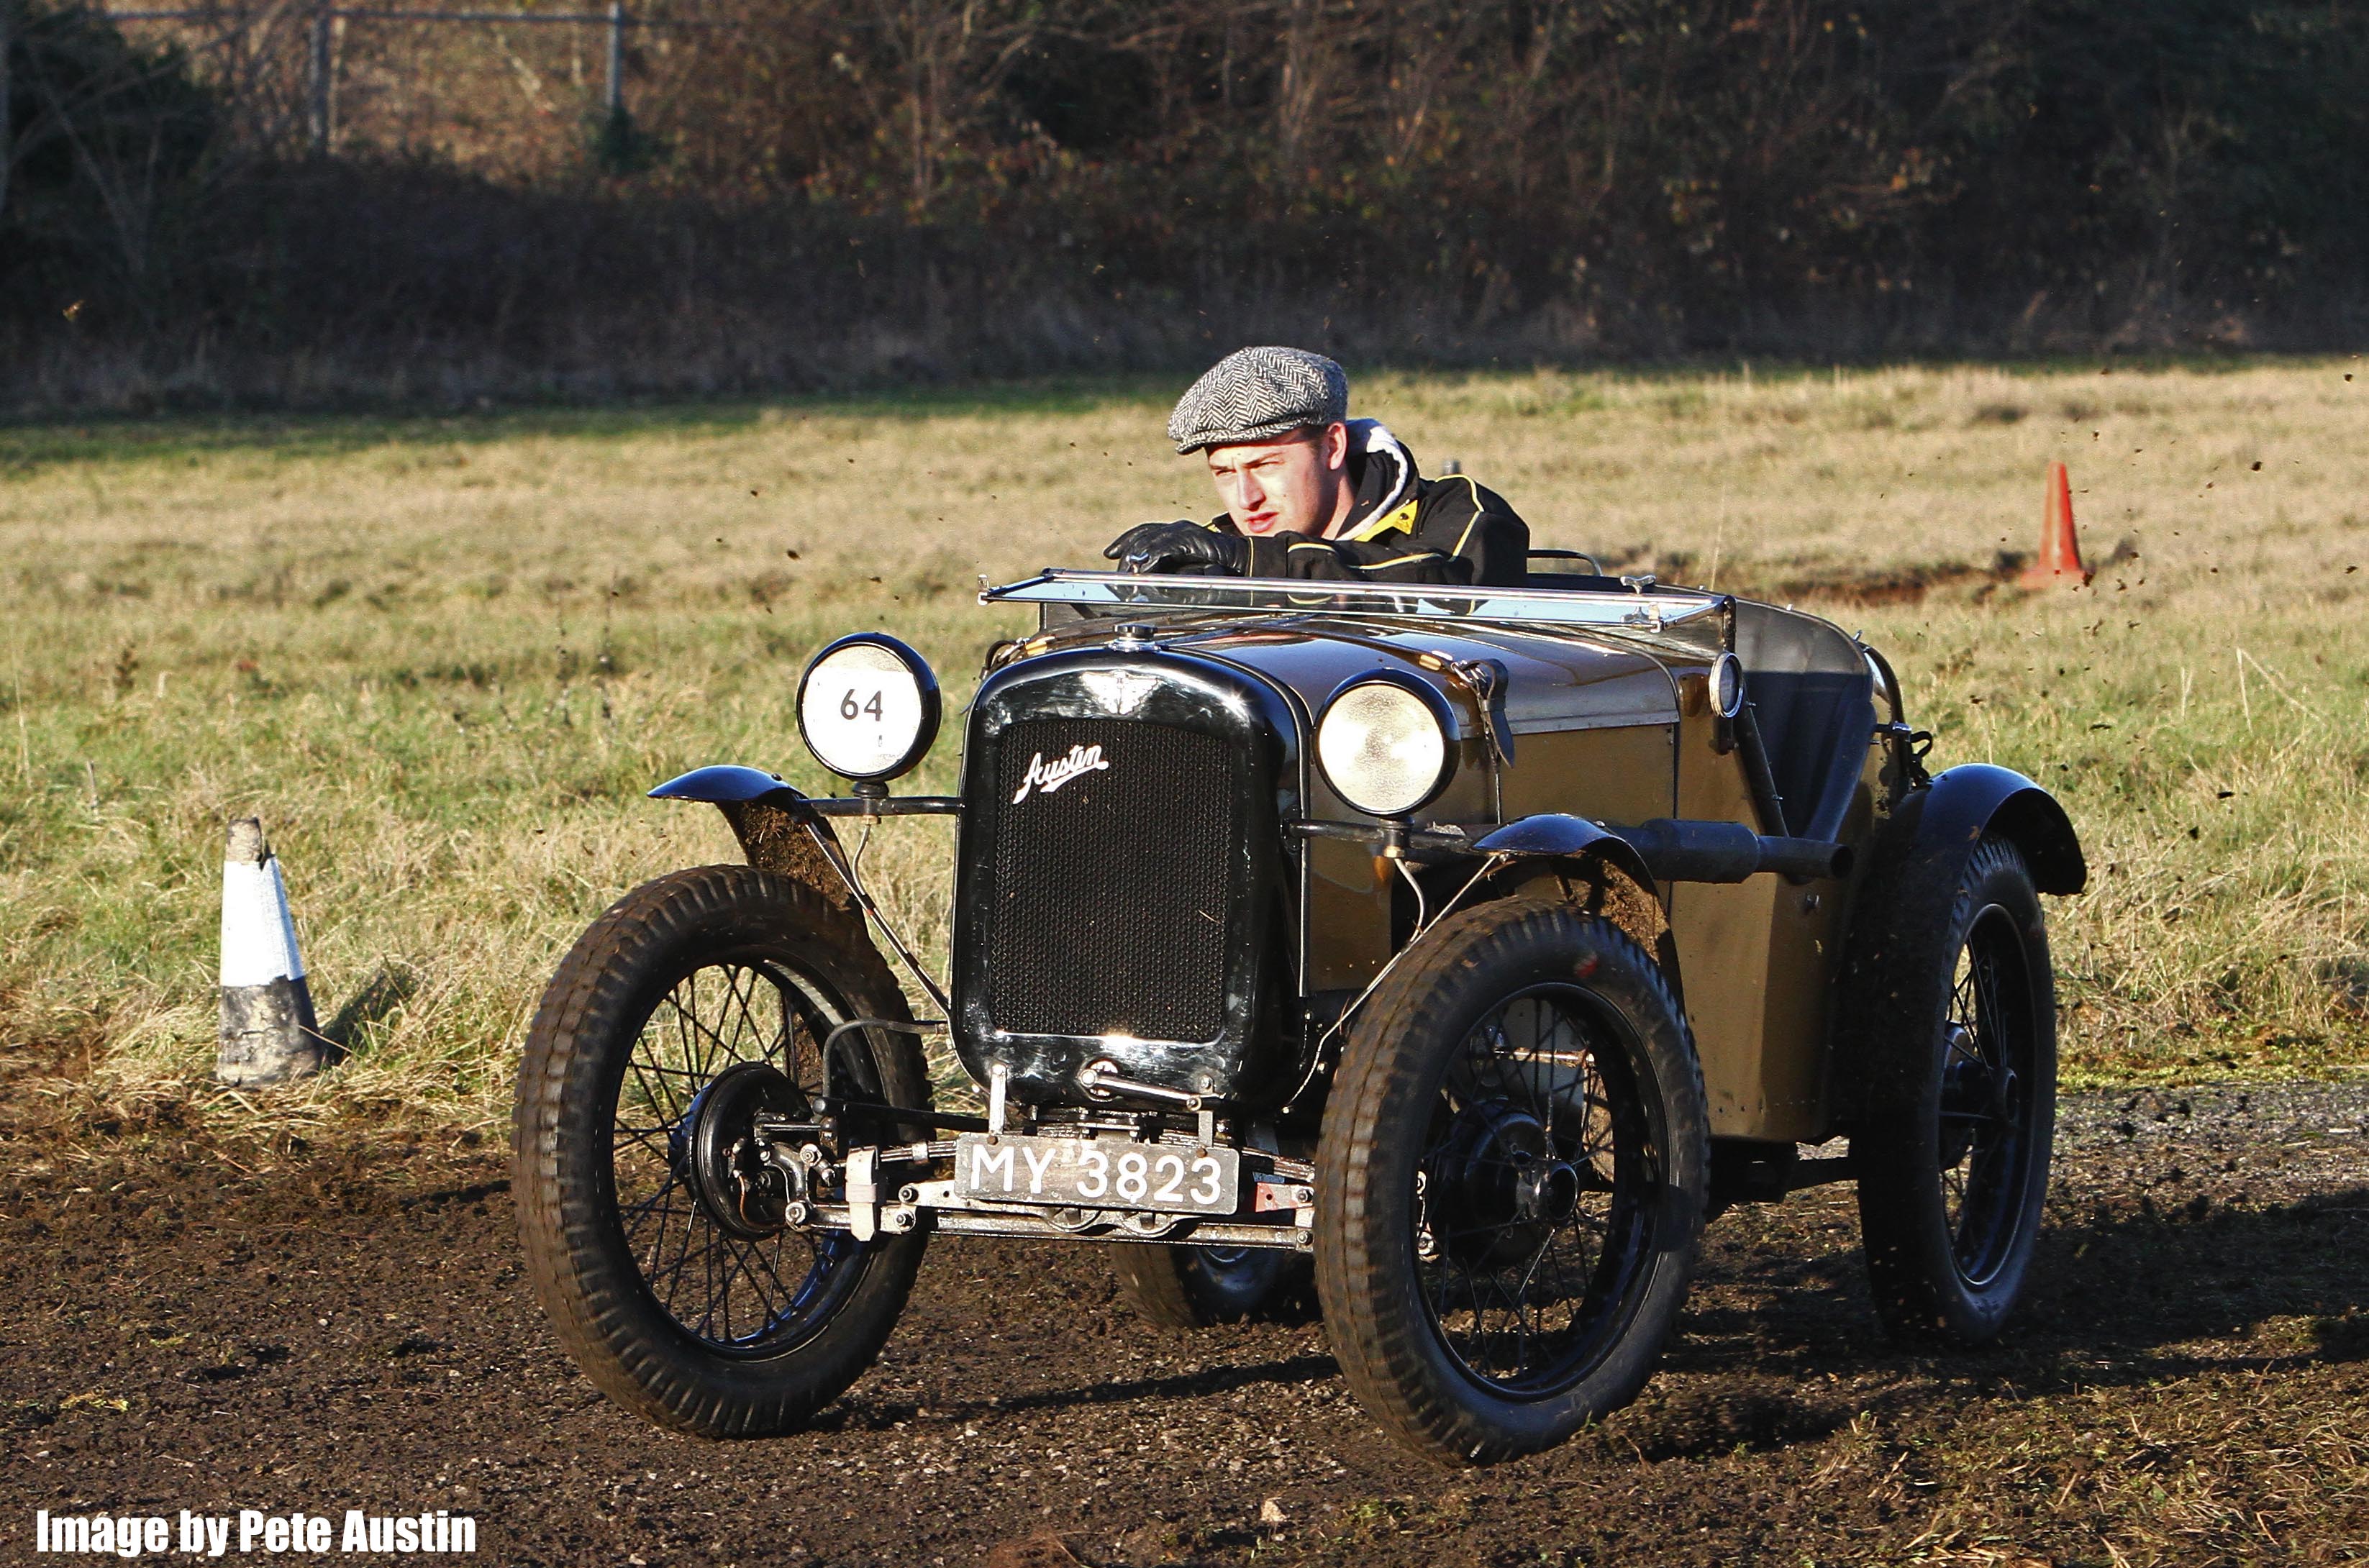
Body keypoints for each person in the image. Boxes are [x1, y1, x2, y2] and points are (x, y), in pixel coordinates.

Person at [1104, 346, 1530, 586]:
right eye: (1225, 473)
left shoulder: (1459, 512)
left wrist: (1253, 562)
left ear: (1333, 447)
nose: (1247, 498)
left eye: (1266, 465)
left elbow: (1440, 583)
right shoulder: (1223, 554)